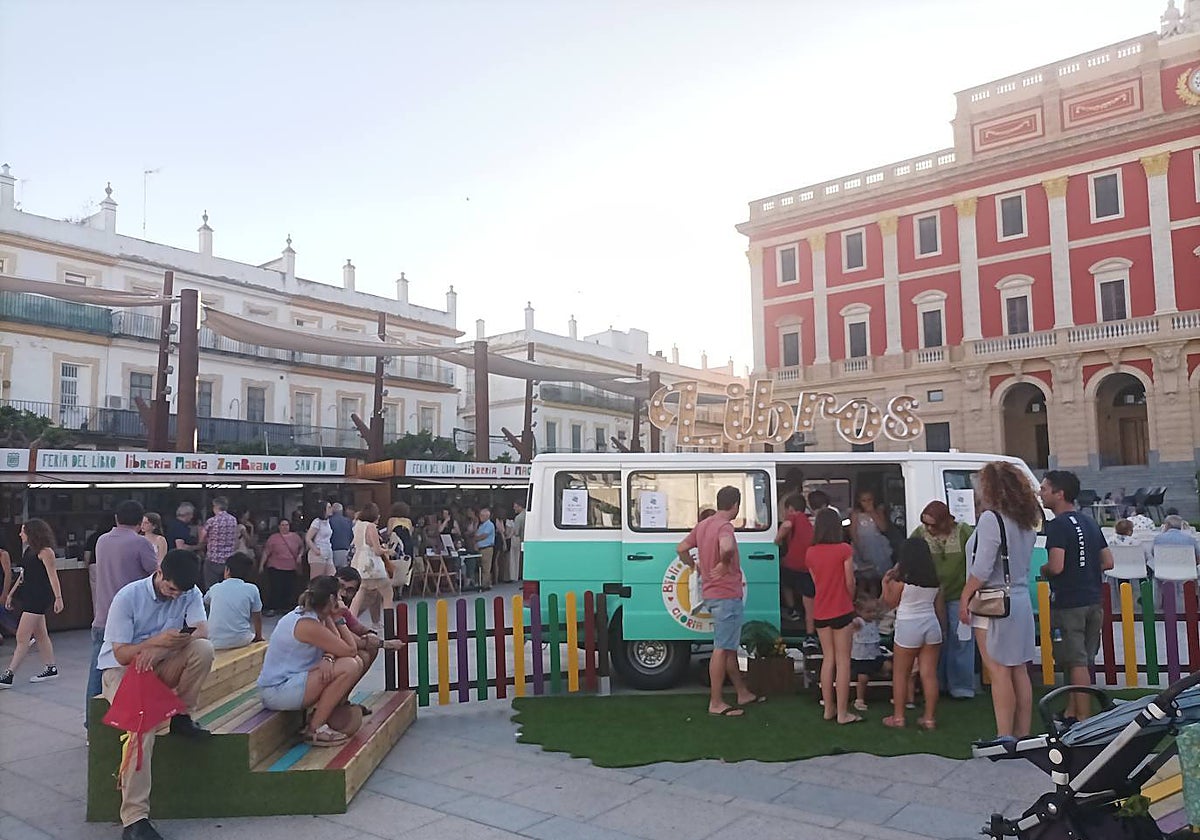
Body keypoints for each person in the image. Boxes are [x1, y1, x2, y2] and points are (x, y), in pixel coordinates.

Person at [97, 549, 215, 840]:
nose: (176, 596)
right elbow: (121, 654)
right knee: (143, 725)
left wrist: (160, 649)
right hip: (121, 671)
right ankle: (135, 819)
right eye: (171, 589)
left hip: (159, 664)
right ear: (159, 573)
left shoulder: (189, 592)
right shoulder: (128, 597)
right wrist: (154, 642)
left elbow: (201, 630)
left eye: (181, 592)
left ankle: (181, 716)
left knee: (203, 650)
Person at [959, 462, 1041, 742]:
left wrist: (965, 596)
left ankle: (1004, 734)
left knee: (998, 670)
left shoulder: (991, 519)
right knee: (1019, 669)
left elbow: (981, 569)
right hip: (1019, 598)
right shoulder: (1026, 520)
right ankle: (1023, 733)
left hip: (993, 602)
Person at [677, 485, 760, 717]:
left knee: (729, 646)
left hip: (711, 594)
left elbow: (681, 548)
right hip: (727, 594)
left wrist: (693, 566)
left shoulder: (703, 525)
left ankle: (742, 692)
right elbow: (727, 546)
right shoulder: (724, 526)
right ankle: (715, 702)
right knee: (722, 648)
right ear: (736, 505)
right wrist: (724, 563)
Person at [1040, 470, 1114, 722]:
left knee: (1074, 661)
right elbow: (1108, 562)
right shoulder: (1089, 522)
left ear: (1059, 494)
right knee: (1081, 660)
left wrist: (1043, 569)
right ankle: (1071, 711)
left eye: (1044, 489)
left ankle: (1083, 719)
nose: (1040, 493)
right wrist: (1085, 568)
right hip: (1093, 599)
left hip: (1068, 602)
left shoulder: (1058, 525)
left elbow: (1056, 566)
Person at [257, 575, 364, 746]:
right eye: (339, 595)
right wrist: (339, 618)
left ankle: (326, 713)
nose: (342, 598)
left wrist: (328, 657)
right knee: (350, 665)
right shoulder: (307, 623)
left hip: (292, 681)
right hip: (277, 691)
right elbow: (350, 650)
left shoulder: (316, 614)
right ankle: (314, 729)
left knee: (355, 662)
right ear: (331, 599)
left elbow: (336, 643)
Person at [86, 500, 159, 723]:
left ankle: (92, 722)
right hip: (130, 621)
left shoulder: (102, 541)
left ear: (116, 518)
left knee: (97, 671)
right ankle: (130, 719)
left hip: (102, 616)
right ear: (140, 522)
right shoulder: (141, 544)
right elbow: (156, 575)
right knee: (129, 672)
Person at [912, 500, 977, 699]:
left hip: (959, 594)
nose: (928, 528)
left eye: (932, 524)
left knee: (961, 639)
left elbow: (978, 556)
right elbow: (908, 555)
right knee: (936, 639)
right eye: (925, 524)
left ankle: (961, 686)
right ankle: (937, 683)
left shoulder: (964, 532)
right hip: (930, 595)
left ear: (944, 521)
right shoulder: (919, 534)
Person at [806, 508, 861, 724]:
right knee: (843, 661)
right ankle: (843, 713)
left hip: (821, 610)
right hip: (841, 608)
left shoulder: (810, 553)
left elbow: (816, 582)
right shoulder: (844, 549)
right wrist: (851, 599)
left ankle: (828, 708)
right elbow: (850, 582)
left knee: (827, 659)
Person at [882, 538, 944, 729]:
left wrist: (885, 582)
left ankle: (899, 718)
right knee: (929, 674)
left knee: (901, 674)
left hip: (908, 626)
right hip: (931, 625)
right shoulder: (934, 582)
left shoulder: (901, 582)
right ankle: (929, 718)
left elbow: (889, 602)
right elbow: (939, 608)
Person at [0, 519, 64, 688]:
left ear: (32, 532)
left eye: (23, 531)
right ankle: (51, 667)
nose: (20, 534)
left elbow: (53, 576)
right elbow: (23, 576)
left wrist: (58, 598)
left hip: (39, 597)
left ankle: (9, 674)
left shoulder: (45, 552)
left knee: (22, 636)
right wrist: (11, 594)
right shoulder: (29, 551)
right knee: (41, 634)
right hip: (30, 595)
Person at [334, 566, 405, 684]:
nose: (343, 593)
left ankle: (343, 693)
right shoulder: (328, 605)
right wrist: (384, 644)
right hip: (315, 662)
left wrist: (371, 634)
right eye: (340, 587)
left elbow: (358, 627)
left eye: (350, 590)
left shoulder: (342, 609)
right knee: (352, 663)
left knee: (365, 654)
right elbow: (351, 638)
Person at [203, 552, 264, 650]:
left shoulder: (215, 588)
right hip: (241, 640)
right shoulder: (252, 589)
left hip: (214, 641)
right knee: (252, 635)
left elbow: (206, 600)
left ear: (227, 570)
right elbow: (257, 617)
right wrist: (258, 636)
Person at [349, 503, 393, 634]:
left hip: (358, 562)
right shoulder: (371, 527)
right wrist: (387, 551)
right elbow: (377, 550)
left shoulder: (357, 525)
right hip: (371, 565)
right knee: (388, 593)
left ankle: (350, 622)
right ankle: (389, 625)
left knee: (359, 595)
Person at [775, 493, 815, 634]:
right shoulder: (808, 520)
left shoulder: (794, 516)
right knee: (807, 594)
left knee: (783, 579)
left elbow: (786, 525)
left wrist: (777, 540)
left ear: (791, 509)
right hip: (808, 564)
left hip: (793, 563)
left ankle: (792, 609)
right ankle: (809, 624)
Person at [850, 576, 886, 712]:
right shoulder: (859, 622)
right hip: (862, 658)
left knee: (889, 666)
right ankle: (859, 699)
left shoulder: (874, 621)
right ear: (859, 611)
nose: (872, 614)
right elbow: (851, 624)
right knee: (863, 678)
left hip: (875, 655)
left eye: (873, 611)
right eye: (868, 612)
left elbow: (883, 604)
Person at [260, 520, 304, 616]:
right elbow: (266, 552)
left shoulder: (295, 537)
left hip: (291, 567)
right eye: (282, 525)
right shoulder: (273, 538)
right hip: (276, 566)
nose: (285, 527)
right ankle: (273, 607)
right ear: (279, 527)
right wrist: (261, 565)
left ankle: (285, 607)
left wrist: (300, 555)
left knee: (288, 588)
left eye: (286, 525)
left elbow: (302, 547)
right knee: (276, 588)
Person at [850, 489, 892, 578]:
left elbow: (883, 528)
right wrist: (858, 546)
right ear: (859, 501)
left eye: (870, 500)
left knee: (879, 570)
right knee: (864, 573)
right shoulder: (856, 514)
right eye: (864, 501)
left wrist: (872, 512)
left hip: (876, 544)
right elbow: (853, 532)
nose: (867, 503)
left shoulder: (878, 511)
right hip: (861, 544)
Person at [385, 501, 416, 595]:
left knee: (393, 564)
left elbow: (389, 533)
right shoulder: (408, 521)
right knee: (405, 565)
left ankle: (392, 588)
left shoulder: (392, 520)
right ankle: (400, 591)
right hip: (408, 544)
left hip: (397, 545)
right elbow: (410, 533)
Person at [306, 502, 336, 579]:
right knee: (317, 579)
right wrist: (316, 550)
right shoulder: (317, 522)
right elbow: (308, 538)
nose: (331, 509)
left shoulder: (328, 522)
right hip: (319, 551)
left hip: (328, 551)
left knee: (332, 577)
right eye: (329, 507)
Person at [475, 507, 496, 590]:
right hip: (480, 548)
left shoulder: (490, 524)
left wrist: (476, 539)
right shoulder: (481, 525)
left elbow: (484, 535)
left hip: (487, 548)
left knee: (486, 567)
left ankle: (485, 585)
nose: (480, 517)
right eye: (480, 515)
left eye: (482, 515)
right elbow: (476, 534)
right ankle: (482, 583)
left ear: (487, 516)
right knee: (481, 566)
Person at [329, 502, 354, 570]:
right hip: (345, 550)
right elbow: (352, 536)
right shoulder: (348, 521)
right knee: (344, 573)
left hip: (333, 550)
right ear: (342, 511)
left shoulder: (329, 521)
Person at [511, 499, 527, 582]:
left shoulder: (518, 518)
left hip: (522, 540)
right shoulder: (529, 515)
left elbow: (516, 532)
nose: (514, 508)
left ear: (520, 506)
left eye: (515, 507)